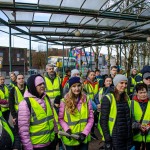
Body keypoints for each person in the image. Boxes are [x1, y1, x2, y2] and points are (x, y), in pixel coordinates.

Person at [18, 74, 56, 150]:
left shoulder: (46, 98)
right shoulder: (25, 103)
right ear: (32, 86)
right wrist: (28, 147)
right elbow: (23, 130)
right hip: (37, 145)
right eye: (39, 84)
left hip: (50, 142)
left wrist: (56, 134)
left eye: (43, 83)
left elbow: (53, 118)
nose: (42, 86)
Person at [59, 77, 94, 150]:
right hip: (71, 138)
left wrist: (85, 133)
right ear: (70, 88)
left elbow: (91, 118)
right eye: (74, 86)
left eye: (78, 85)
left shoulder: (86, 99)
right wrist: (67, 129)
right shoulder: (64, 101)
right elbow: (61, 119)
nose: (77, 88)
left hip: (83, 137)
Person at [100, 74, 133, 150]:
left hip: (126, 136)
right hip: (114, 137)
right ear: (115, 84)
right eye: (121, 83)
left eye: (125, 83)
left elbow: (128, 117)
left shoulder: (126, 97)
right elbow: (103, 121)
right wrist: (107, 138)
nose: (124, 85)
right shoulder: (108, 98)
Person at [9, 73, 26, 150]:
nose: (21, 80)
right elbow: (11, 104)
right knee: (17, 134)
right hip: (18, 115)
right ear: (16, 80)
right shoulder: (13, 90)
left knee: (27, 133)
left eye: (22, 78)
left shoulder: (28, 88)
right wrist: (14, 116)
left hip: (28, 114)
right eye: (19, 79)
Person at [131, 83, 150, 150]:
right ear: (137, 93)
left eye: (145, 92)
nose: (143, 94)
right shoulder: (131, 103)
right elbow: (130, 119)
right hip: (136, 136)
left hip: (148, 137)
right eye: (141, 92)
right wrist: (138, 126)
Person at [83, 70, 99, 140]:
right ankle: (87, 132)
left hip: (94, 102)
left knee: (93, 118)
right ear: (88, 75)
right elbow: (84, 93)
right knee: (89, 118)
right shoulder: (85, 83)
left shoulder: (96, 83)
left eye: (94, 75)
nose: (93, 76)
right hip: (88, 102)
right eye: (91, 75)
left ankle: (92, 132)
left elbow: (97, 94)